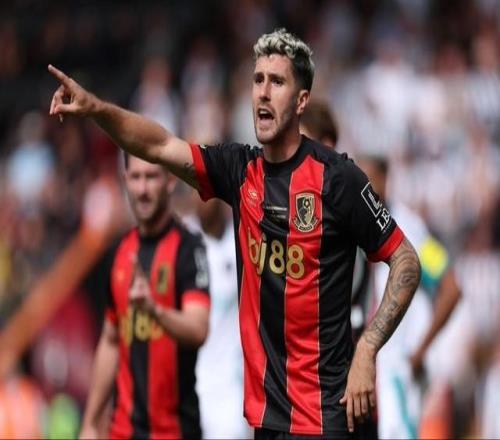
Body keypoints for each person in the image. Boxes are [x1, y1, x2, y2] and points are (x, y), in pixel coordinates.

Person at [48, 28, 421, 438]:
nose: (263, 92)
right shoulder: (240, 171)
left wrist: (367, 348)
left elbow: (406, 259)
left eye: (277, 82)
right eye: (258, 80)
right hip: (265, 420)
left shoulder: (338, 179)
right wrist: (96, 109)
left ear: (301, 101)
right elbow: (158, 145)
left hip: (325, 418)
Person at [79, 154, 210, 439]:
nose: (142, 189)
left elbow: (198, 329)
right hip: (123, 430)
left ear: (170, 180)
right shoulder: (117, 253)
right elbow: (110, 340)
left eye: (151, 177)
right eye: (136, 177)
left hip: (176, 431)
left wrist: (155, 310)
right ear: (125, 180)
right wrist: (90, 422)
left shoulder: (189, 249)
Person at [356, 155, 449, 439]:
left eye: (369, 181)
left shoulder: (411, 230)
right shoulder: (355, 229)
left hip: (399, 369)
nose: (362, 190)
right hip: (368, 371)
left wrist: (420, 351)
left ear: (385, 180)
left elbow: (450, 285)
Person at [189, 197, 251, 439]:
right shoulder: (183, 242)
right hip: (188, 390)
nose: (201, 198)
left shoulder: (243, 243)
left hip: (229, 395)